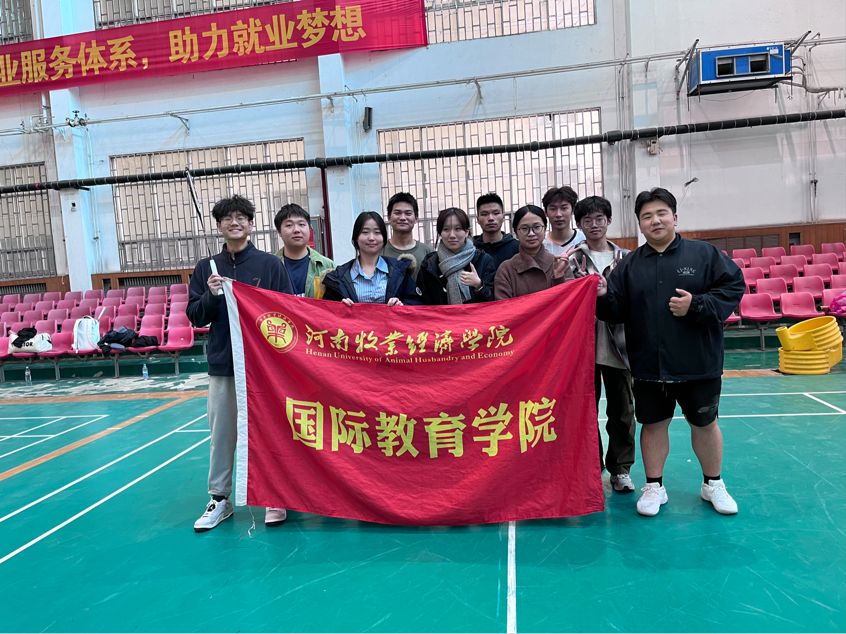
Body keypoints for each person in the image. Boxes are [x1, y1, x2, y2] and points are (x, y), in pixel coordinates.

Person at [595, 187, 745, 517]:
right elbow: (615, 311)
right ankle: (654, 486)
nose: (655, 220)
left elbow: (734, 286)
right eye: (647, 216)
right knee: (653, 425)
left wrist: (698, 305)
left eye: (661, 213)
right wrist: (604, 295)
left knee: (705, 424)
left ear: (674, 218)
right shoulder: (629, 266)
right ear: (640, 224)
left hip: (699, 363)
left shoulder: (704, 255)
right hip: (650, 365)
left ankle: (713, 483)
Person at [188, 195, 294, 532]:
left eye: (241, 217)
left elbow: (287, 311)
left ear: (250, 224)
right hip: (224, 364)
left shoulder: (270, 265)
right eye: (227, 218)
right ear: (219, 226)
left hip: (265, 367)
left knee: (272, 430)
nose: (234, 223)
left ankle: (275, 494)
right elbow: (195, 316)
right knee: (222, 434)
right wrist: (211, 295)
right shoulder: (206, 268)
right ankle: (220, 499)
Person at [568, 196, 635, 493]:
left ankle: (620, 469)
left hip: (620, 347)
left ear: (608, 221)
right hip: (582, 348)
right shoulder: (572, 260)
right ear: (579, 225)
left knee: (622, 411)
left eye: (599, 219)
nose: (593, 225)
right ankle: (591, 466)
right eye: (587, 220)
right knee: (584, 411)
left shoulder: (627, 259)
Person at [323, 211, 423, 306]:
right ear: (356, 237)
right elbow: (327, 311)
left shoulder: (399, 270)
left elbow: (417, 303)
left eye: (377, 232)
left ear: (383, 238)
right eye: (365, 232)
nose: (371, 238)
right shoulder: (339, 276)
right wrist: (339, 307)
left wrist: (402, 305)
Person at [417, 207, 496, 305]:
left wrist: (479, 285)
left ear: (466, 232)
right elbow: (422, 304)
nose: (452, 235)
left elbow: (493, 303)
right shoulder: (429, 265)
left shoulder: (483, 260)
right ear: (440, 233)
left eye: (457, 229)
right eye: (446, 229)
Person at [494, 205, 573, 300]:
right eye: (524, 229)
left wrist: (558, 277)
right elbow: (503, 307)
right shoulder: (506, 269)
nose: (531, 233)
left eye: (537, 227)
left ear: (545, 229)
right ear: (516, 233)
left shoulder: (560, 264)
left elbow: (570, 301)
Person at [273, 203, 335, 298]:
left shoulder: (328, 267)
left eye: (301, 224)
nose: (296, 230)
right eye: (289, 225)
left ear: (310, 229)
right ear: (279, 232)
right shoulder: (269, 267)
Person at [382, 192, 432, 281]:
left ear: (416, 218)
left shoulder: (428, 252)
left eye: (408, 213)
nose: (402, 218)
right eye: (397, 213)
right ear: (389, 218)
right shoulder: (379, 251)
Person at [473, 192, 520, 270]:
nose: (491, 218)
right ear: (478, 219)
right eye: (485, 214)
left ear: (503, 217)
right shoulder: (471, 250)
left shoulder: (517, 248)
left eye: (496, 213)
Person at [542, 186, 585, 256]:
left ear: (572, 210)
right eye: (553, 209)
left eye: (564, 208)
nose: (558, 214)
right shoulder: (542, 244)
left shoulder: (584, 240)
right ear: (546, 212)